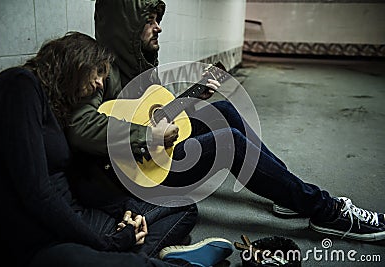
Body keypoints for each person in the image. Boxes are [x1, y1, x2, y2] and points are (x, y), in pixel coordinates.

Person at [66, 0, 385, 244]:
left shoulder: (139, 66)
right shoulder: (98, 69)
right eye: (149, 20)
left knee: (224, 112)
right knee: (227, 140)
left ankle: (289, 193)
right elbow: (80, 127)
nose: (158, 27)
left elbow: (153, 112)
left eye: (158, 19)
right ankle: (326, 211)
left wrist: (193, 96)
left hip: (151, 153)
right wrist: (149, 133)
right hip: (135, 176)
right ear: (126, 26)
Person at [0, 32, 234, 267]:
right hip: (42, 234)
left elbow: (75, 178)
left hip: (76, 213)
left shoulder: (57, 104)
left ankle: (127, 255)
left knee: (182, 205)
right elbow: (37, 193)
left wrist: (126, 207)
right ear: (75, 62)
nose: (98, 84)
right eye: (98, 73)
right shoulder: (19, 85)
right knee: (133, 260)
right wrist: (106, 242)